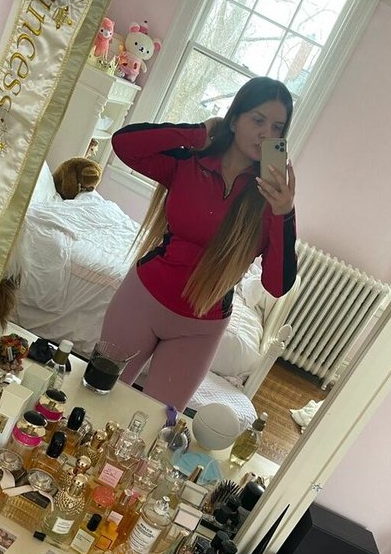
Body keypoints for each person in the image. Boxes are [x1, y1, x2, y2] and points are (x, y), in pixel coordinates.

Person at [100, 76, 297, 411]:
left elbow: (277, 285)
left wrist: (284, 214)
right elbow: (124, 144)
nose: (267, 133)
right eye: (258, 120)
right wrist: (197, 133)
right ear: (234, 120)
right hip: (141, 299)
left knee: (155, 422)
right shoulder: (190, 162)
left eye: (277, 128)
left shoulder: (270, 199)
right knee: (98, 391)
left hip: (201, 327)